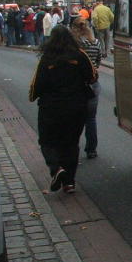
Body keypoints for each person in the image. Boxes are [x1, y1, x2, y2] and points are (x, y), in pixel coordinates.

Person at [29, 25, 96, 194]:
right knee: (71, 143)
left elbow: (37, 84)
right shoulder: (80, 55)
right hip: (76, 106)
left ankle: (56, 168)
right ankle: (69, 183)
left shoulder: (47, 59)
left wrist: (33, 96)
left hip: (51, 108)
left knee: (47, 141)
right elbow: (92, 76)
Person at [71, 16, 102, 159]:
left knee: (74, 119)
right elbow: (98, 60)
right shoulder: (95, 43)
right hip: (93, 83)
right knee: (91, 119)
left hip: (76, 85)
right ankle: (91, 149)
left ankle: (73, 149)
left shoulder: (73, 46)